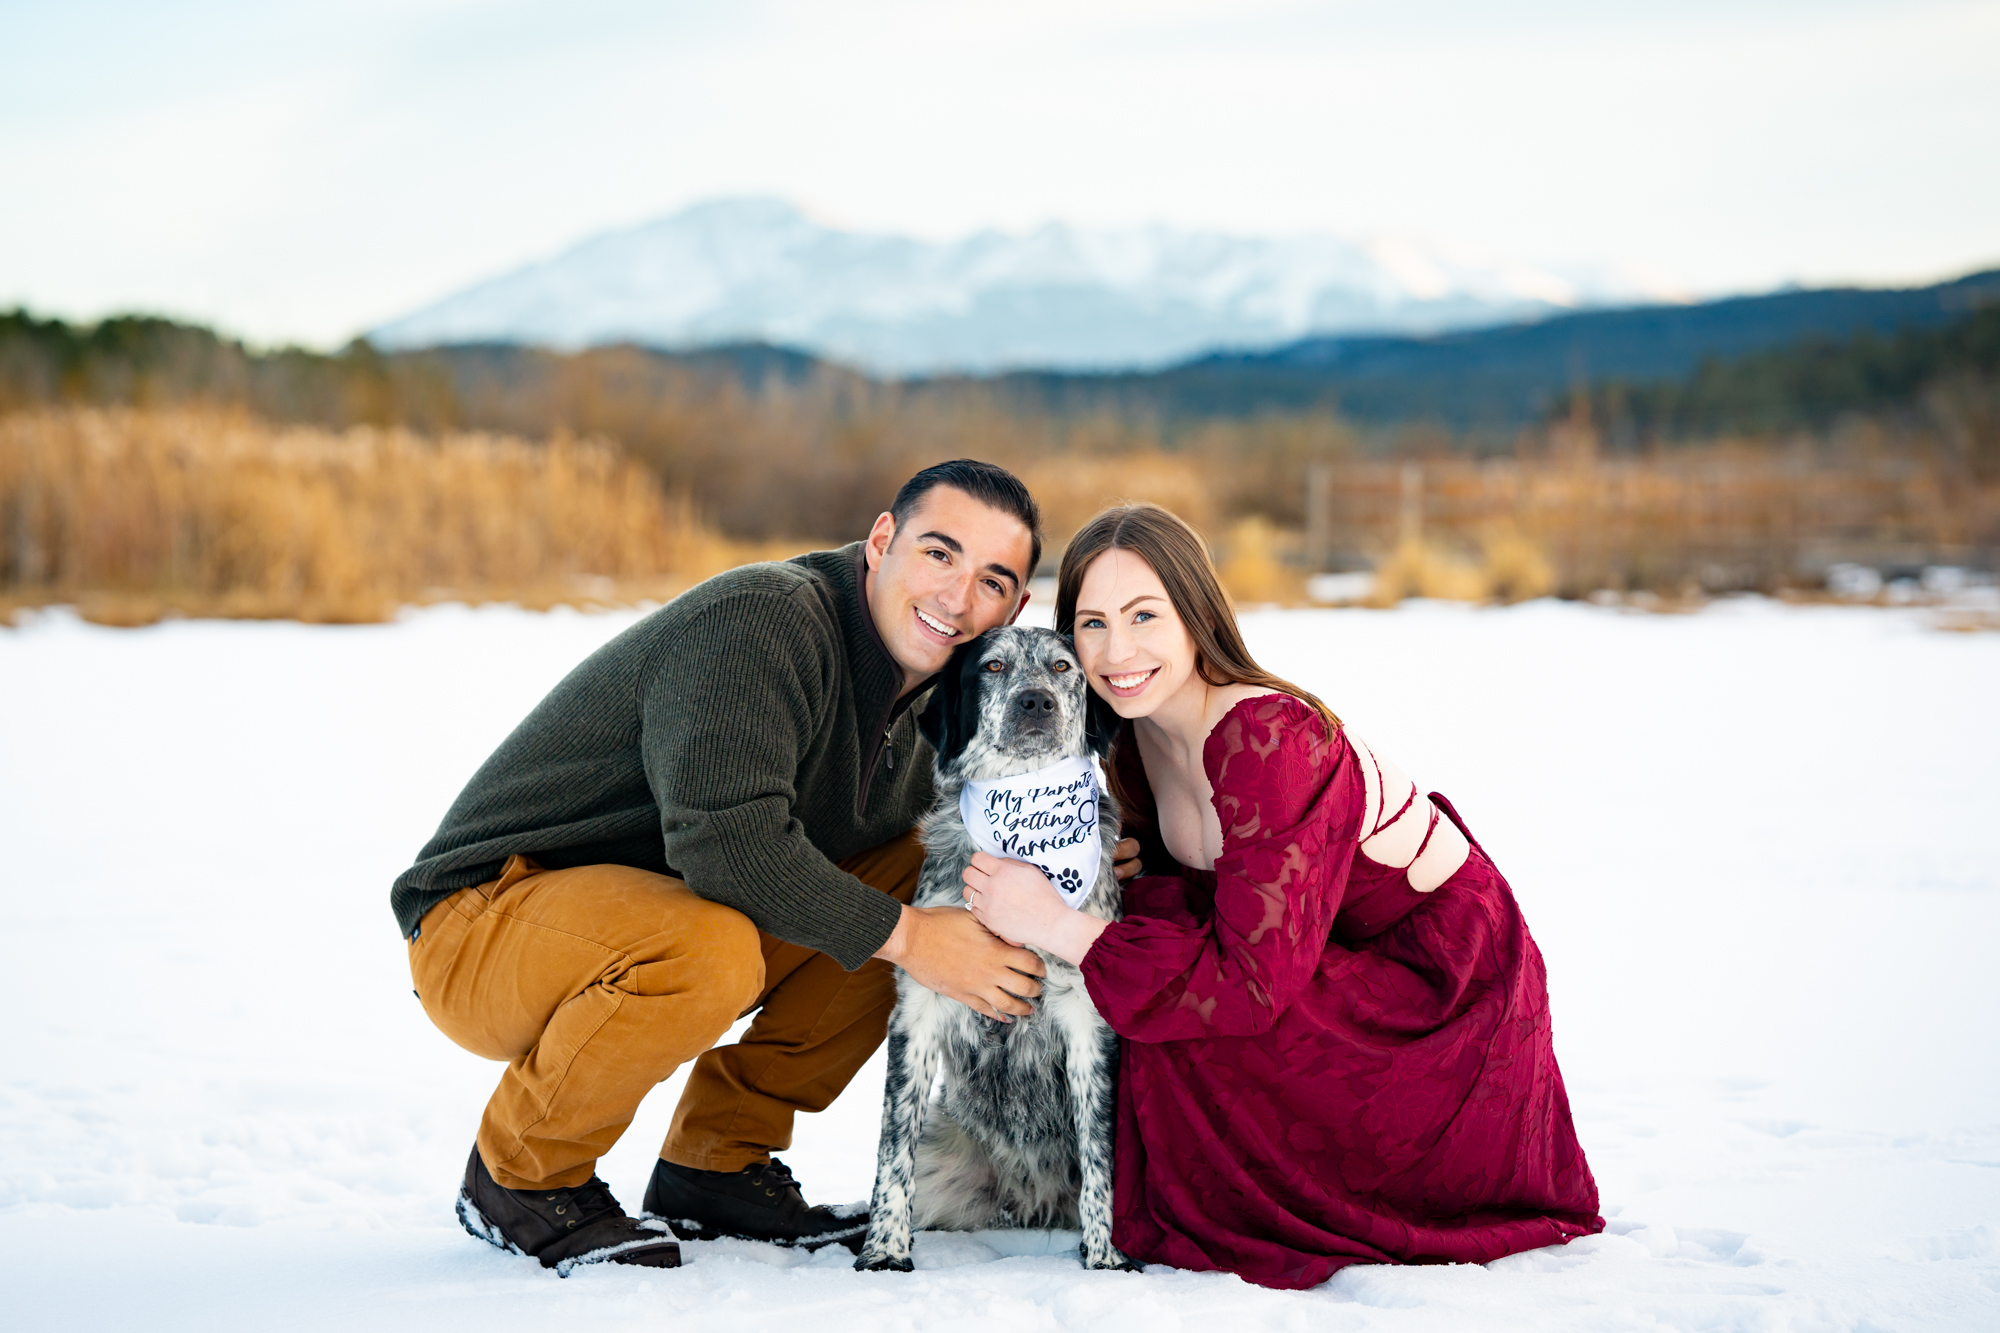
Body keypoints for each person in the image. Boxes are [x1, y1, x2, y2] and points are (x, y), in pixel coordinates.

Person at [394, 459, 1138, 1273]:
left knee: (916, 874)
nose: (958, 596)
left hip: (654, 912)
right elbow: (726, 845)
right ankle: (521, 1176)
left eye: (992, 579)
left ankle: (717, 1162)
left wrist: (1079, 853)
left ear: (1015, 606)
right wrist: (918, 940)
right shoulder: (763, 621)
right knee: (730, 944)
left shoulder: (934, 691)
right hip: (483, 921)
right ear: (882, 540)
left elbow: (947, 838)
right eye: (939, 553)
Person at [960, 502, 1604, 1291]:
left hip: (1441, 990)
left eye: (1143, 615)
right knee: (1159, 952)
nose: (1117, 650)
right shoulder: (1133, 741)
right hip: (1314, 953)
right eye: (1092, 623)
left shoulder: (1267, 738)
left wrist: (1056, 923)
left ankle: (1238, 1204)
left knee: (1186, 992)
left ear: (1196, 615)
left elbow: (1252, 983)